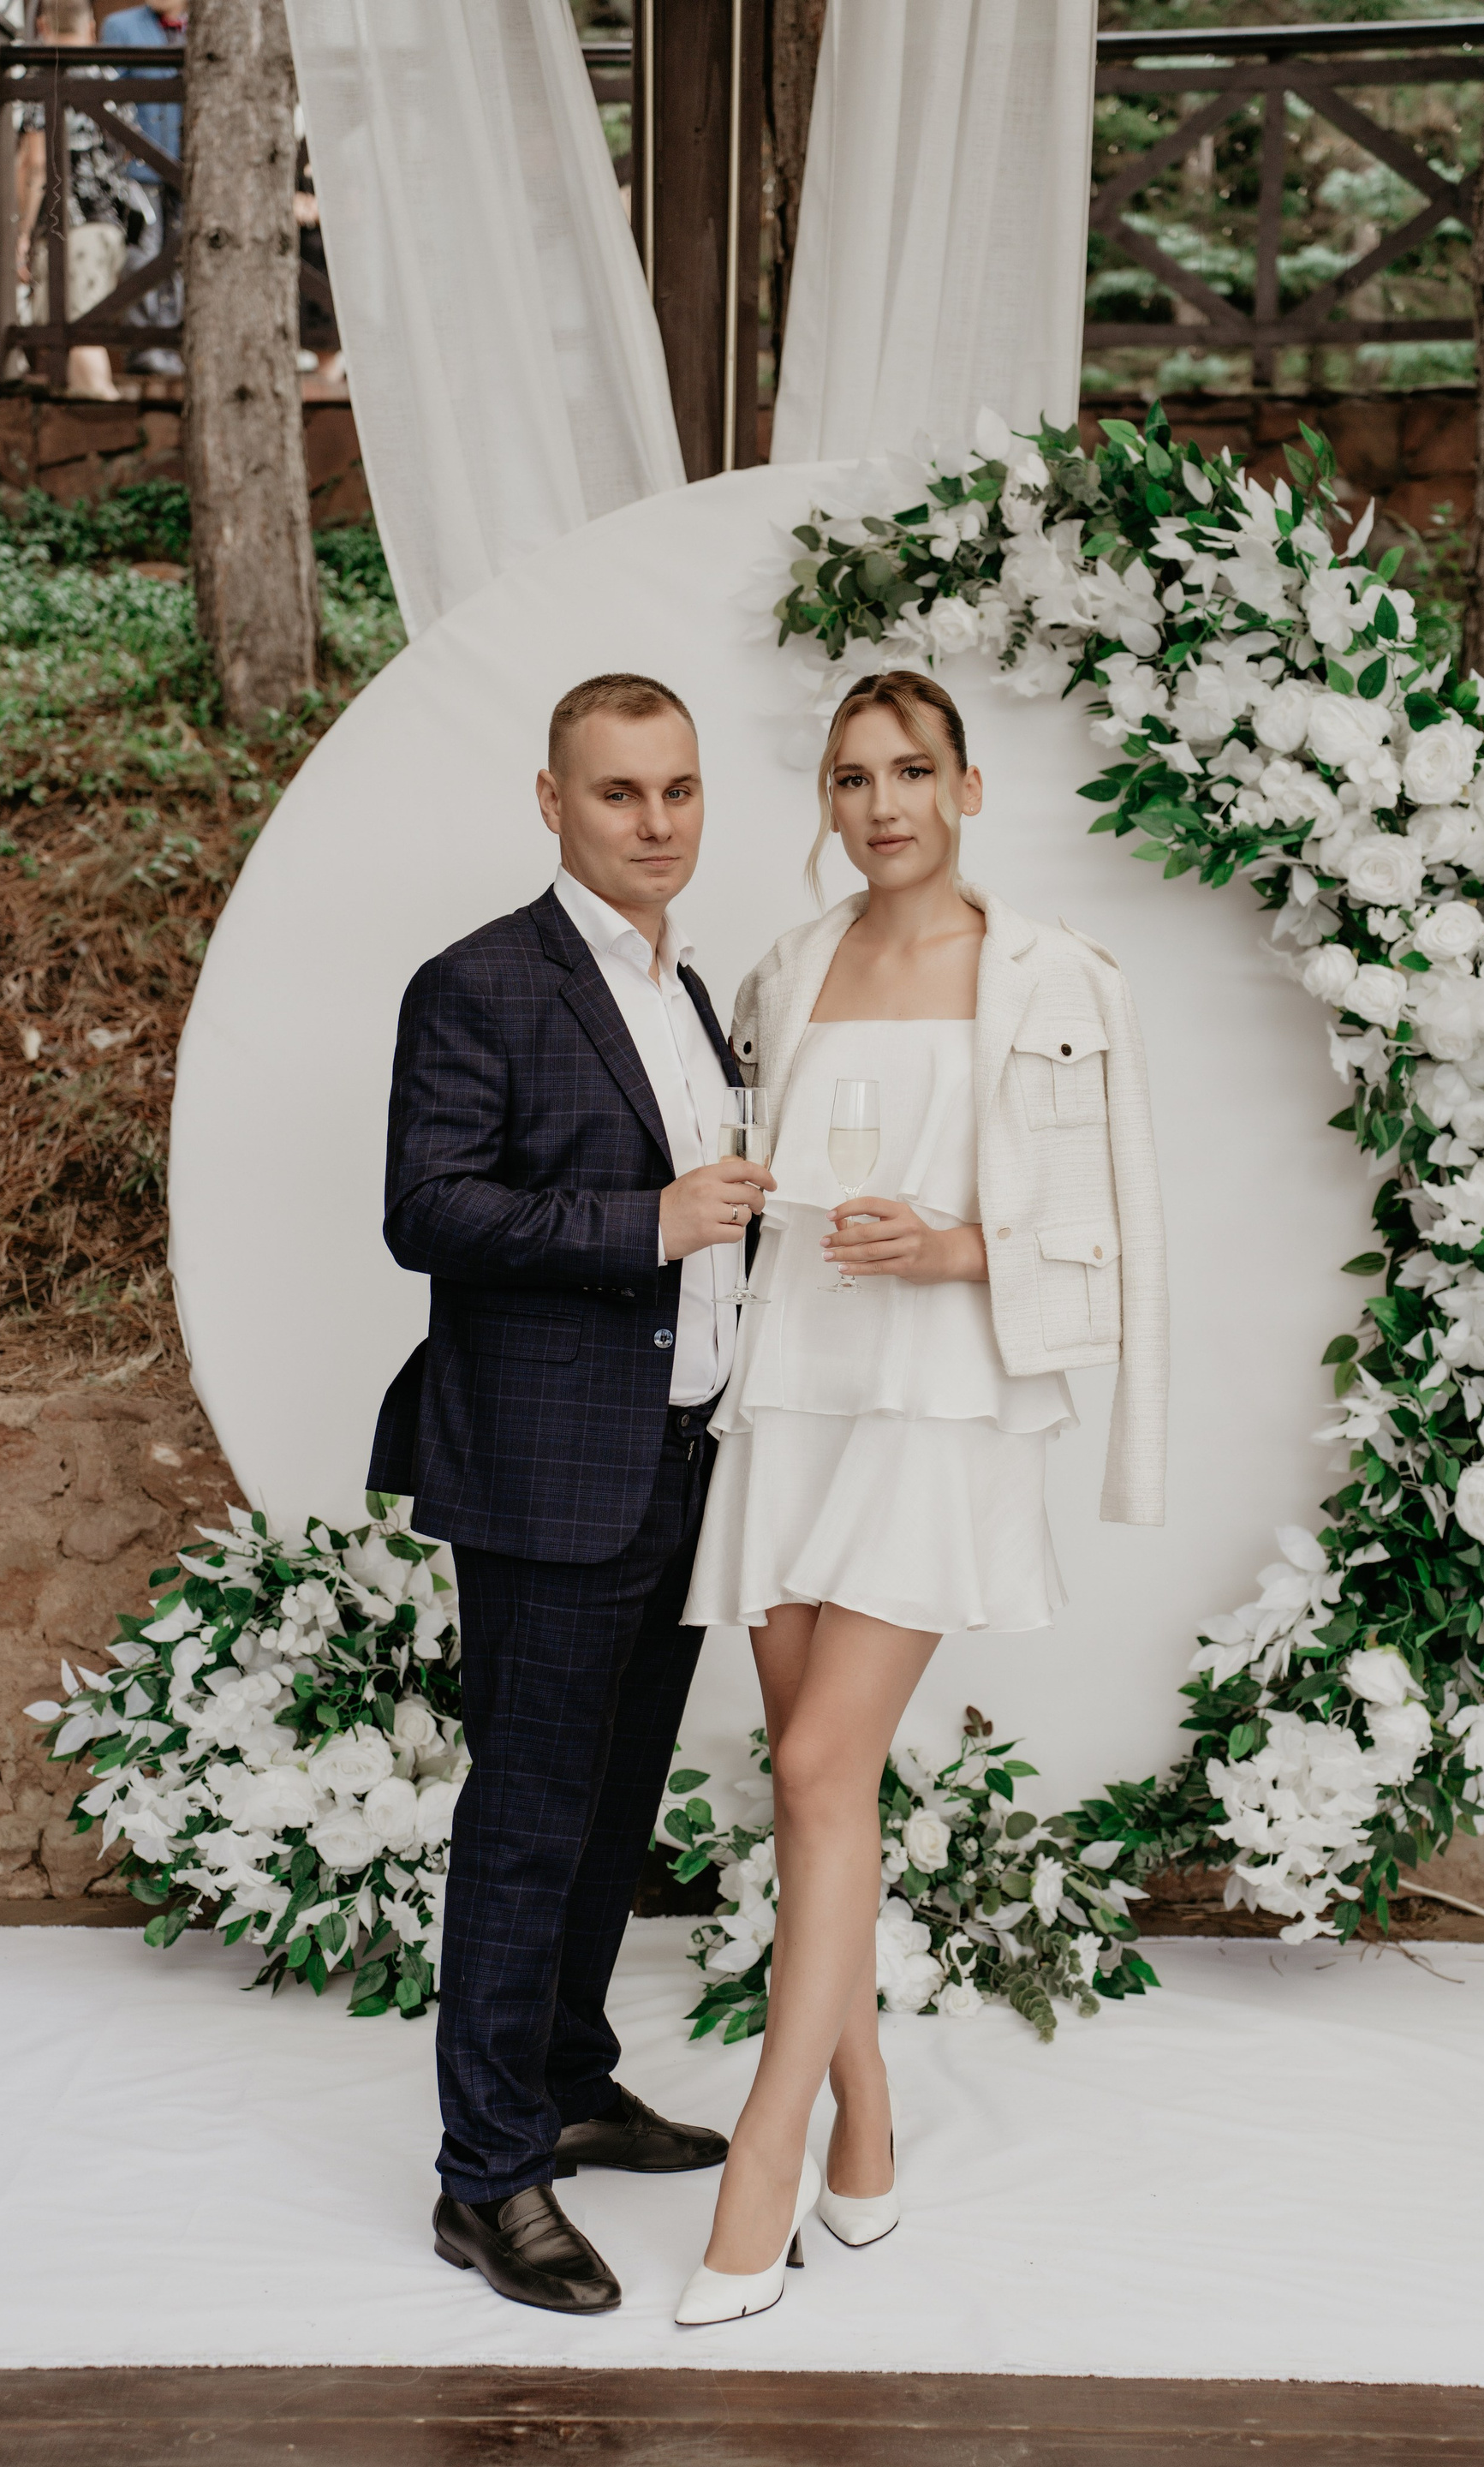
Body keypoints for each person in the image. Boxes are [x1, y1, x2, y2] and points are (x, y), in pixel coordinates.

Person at [673, 669, 1167, 2327]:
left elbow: (1116, 1222)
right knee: (820, 1792)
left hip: (944, 1404)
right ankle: (869, 2128)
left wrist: (959, 1250)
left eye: (909, 770)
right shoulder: (785, 968)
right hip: (795, 1390)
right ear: (825, 799)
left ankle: (766, 2160)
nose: (880, 804)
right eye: (850, 776)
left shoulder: (1054, 978)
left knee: (823, 1767)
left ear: (967, 786)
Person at [369, 672, 775, 2317]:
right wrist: (650, 1224)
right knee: (530, 1823)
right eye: (620, 793)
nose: (656, 823)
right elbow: (429, 1209)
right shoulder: (479, 983)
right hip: (548, 1475)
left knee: (612, 1814)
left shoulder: (690, 994)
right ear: (554, 802)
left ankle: (566, 2085)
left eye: (679, 790)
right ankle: (486, 2180)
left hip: (682, 1463)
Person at [15, 0, 131, 399]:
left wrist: (22, 232)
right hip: (111, 224)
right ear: (91, 28)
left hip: (68, 224)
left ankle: (106, 410)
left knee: (80, 332)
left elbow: (36, 165)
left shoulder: (43, 76)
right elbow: (127, 152)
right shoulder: (110, 76)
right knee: (82, 327)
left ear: (43, 26)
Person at [101, 0, 187, 377]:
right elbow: (105, 95)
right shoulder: (120, 26)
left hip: (189, 170)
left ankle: (172, 346)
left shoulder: (204, 27)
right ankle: (144, 348)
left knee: (180, 258)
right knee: (142, 256)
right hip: (138, 168)